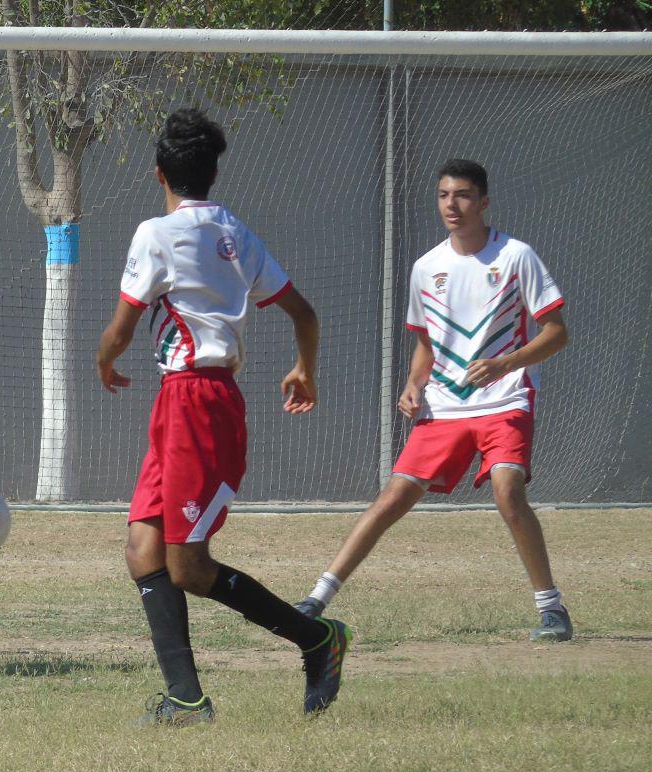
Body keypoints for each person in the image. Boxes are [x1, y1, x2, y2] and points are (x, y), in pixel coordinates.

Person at [97, 109, 350, 725]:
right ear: (213, 173)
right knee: (141, 548)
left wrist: (103, 361)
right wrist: (304, 368)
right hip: (188, 402)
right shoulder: (234, 231)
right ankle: (186, 700)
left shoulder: (154, 233)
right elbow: (305, 313)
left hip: (197, 407)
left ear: (159, 173)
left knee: (187, 567)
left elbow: (123, 327)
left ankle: (317, 640)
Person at [295, 159, 572, 643]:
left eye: (463, 195)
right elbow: (427, 342)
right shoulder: (427, 267)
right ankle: (316, 599)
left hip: (504, 399)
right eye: (444, 195)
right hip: (443, 406)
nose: (452, 204)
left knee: (508, 491)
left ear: (483, 202)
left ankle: (552, 608)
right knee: (391, 499)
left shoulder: (516, 257)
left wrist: (507, 364)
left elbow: (556, 333)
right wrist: (412, 383)